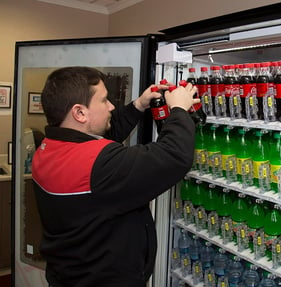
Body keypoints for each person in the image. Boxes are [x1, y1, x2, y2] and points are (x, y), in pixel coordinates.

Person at [31, 66, 198, 287]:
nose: (111, 106)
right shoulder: (97, 166)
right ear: (79, 113)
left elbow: (100, 136)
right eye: (104, 100)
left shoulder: (49, 148)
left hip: (68, 276)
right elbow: (173, 156)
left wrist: (139, 105)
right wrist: (179, 109)